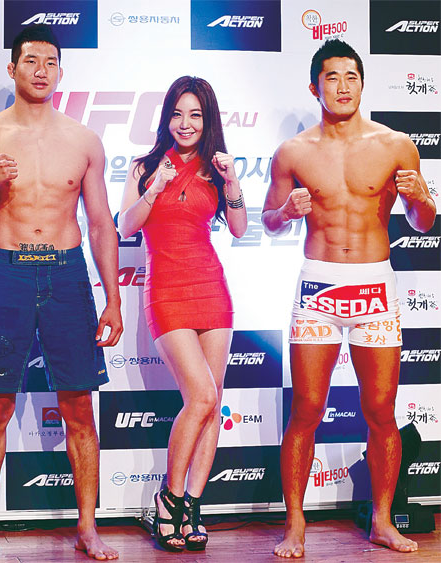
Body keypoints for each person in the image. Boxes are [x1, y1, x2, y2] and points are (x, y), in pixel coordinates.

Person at [0, 25, 122, 562]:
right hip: (8, 275)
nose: (41, 70)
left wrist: (113, 299)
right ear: (12, 68)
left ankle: (88, 527)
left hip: (67, 275)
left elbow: (101, 224)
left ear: (60, 71)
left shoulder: (84, 141)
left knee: (79, 407)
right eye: (30, 61)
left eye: (50, 62)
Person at [262, 39, 435, 558]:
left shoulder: (396, 145)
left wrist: (421, 200)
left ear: (362, 83)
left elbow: (422, 222)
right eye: (332, 77)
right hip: (319, 287)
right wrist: (286, 213)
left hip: (375, 288)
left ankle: (382, 520)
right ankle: (296, 525)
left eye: (351, 76)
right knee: (307, 408)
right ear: (314, 86)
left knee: (381, 409)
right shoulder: (293, 152)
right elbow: (269, 222)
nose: (343, 86)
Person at [119, 75, 247, 551]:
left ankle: (192, 506)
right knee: (200, 396)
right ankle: (168, 501)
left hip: (212, 289)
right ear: (166, 118)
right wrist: (154, 188)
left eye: (195, 114)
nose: (185, 123)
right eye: (177, 113)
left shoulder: (216, 169)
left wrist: (232, 182)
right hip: (167, 290)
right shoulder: (144, 166)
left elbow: (239, 227)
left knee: (213, 402)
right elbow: (126, 225)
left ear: (207, 120)